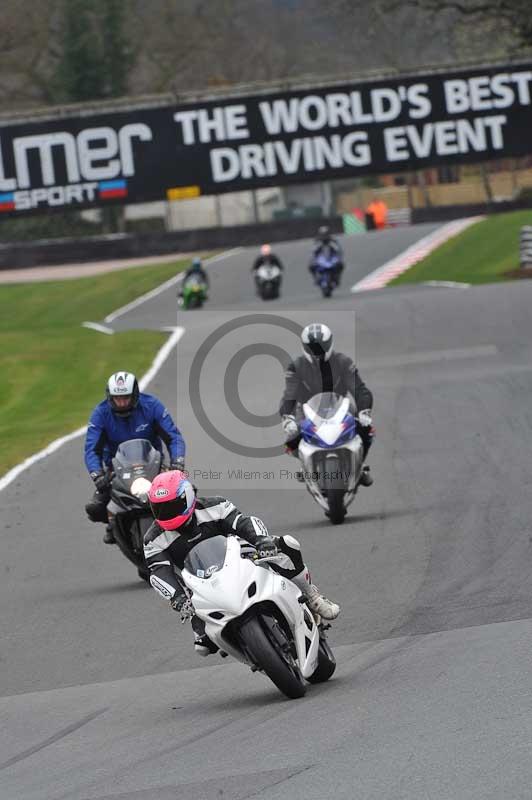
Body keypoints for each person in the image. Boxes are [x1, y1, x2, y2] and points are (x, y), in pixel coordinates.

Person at [144, 470, 340, 656]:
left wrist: (262, 542)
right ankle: (247, 648)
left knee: (286, 545)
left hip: (239, 558)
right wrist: (178, 598)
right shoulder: (153, 539)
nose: (165, 513)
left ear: (187, 496)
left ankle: (311, 595)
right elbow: (158, 572)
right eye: (159, 508)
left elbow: (243, 523)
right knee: (204, 646)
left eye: (170, 506)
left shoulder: (215, 505)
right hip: (200, 583)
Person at [84, 371, 186, 544]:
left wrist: (177, 461)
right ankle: (112, 524)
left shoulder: (152, 406)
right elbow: (91, 449)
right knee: (95, 508)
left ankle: (188, 523)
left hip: (154, 464)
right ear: (110, 397)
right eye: (118, 398)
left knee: (186, 491)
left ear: (135, 395)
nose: (122, 402)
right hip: (116, 469)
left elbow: (173, 436)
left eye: (126, 397)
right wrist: (97, 475)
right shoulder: (100, 414)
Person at [279, 322, 374, 486]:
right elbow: (289, 394)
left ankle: (360, 467)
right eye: (312, 347)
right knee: (292, 438)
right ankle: (305, 465)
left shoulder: (343, 361)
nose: (317, 352)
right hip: (307, 408)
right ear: (304, 347)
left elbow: (359, 389)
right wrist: (287, 417)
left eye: (321, 346)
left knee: (366, 429)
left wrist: (364, 411)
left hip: (341, 404)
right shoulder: (296, 367)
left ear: (330, 343)